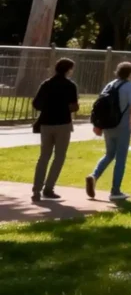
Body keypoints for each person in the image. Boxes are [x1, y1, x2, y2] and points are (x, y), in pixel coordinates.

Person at [86, 61, 131, 202]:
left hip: (108, 126)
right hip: (122, 126)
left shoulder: (110, 84)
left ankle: (94, 175)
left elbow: (100, 105)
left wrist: (98, 125)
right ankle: (115, 190)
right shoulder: (130, 86)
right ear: (130, 73)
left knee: (109, 154)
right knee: (121, 158)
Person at [31, 57, 79, 202]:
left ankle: (36, 190)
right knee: (59, 157)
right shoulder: (70, 85)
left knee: (44, 156)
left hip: (46, 123)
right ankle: (49, 188)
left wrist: (48, 107)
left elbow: (36, 104)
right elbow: (74, 106)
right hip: (63, 123)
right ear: (68, 70)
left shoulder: (46, 84)